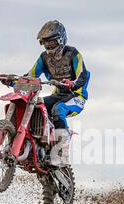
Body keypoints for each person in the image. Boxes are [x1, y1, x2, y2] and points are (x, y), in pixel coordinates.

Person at [28, 20, 90, 167]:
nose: (48, 47)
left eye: (52, 43)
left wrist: (73, 84)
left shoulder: (73, 53)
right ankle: (38, 143)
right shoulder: (44, 58)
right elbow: (31, 75)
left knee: (58, 109)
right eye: (45, 44)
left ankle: (62, 152)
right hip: (58, 95)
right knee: (36, 104)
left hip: (76, 96)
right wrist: (13, 81)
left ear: (61, 40)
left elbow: (83, 75)